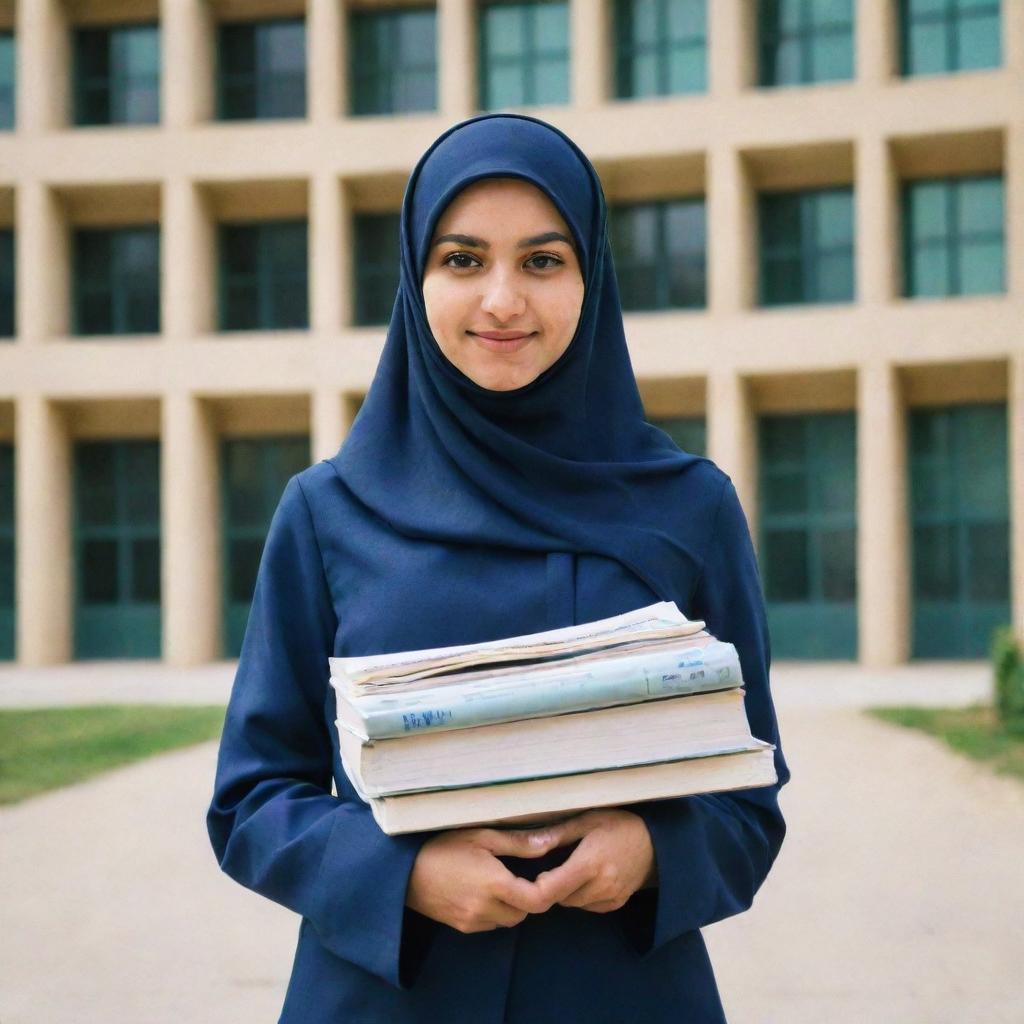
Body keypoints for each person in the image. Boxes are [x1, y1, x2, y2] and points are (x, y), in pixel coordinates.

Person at [207, 112, 789, 1023]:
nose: (503, 301)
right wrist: (401, 875)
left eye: (544, 261)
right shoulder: (327, 512)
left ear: (590, 278)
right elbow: (251, 800)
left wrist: (650, 853)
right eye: (464, 260)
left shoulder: (691, 509)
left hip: (622, 996)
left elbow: (752, 800)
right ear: (414, 275)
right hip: (384, 997)